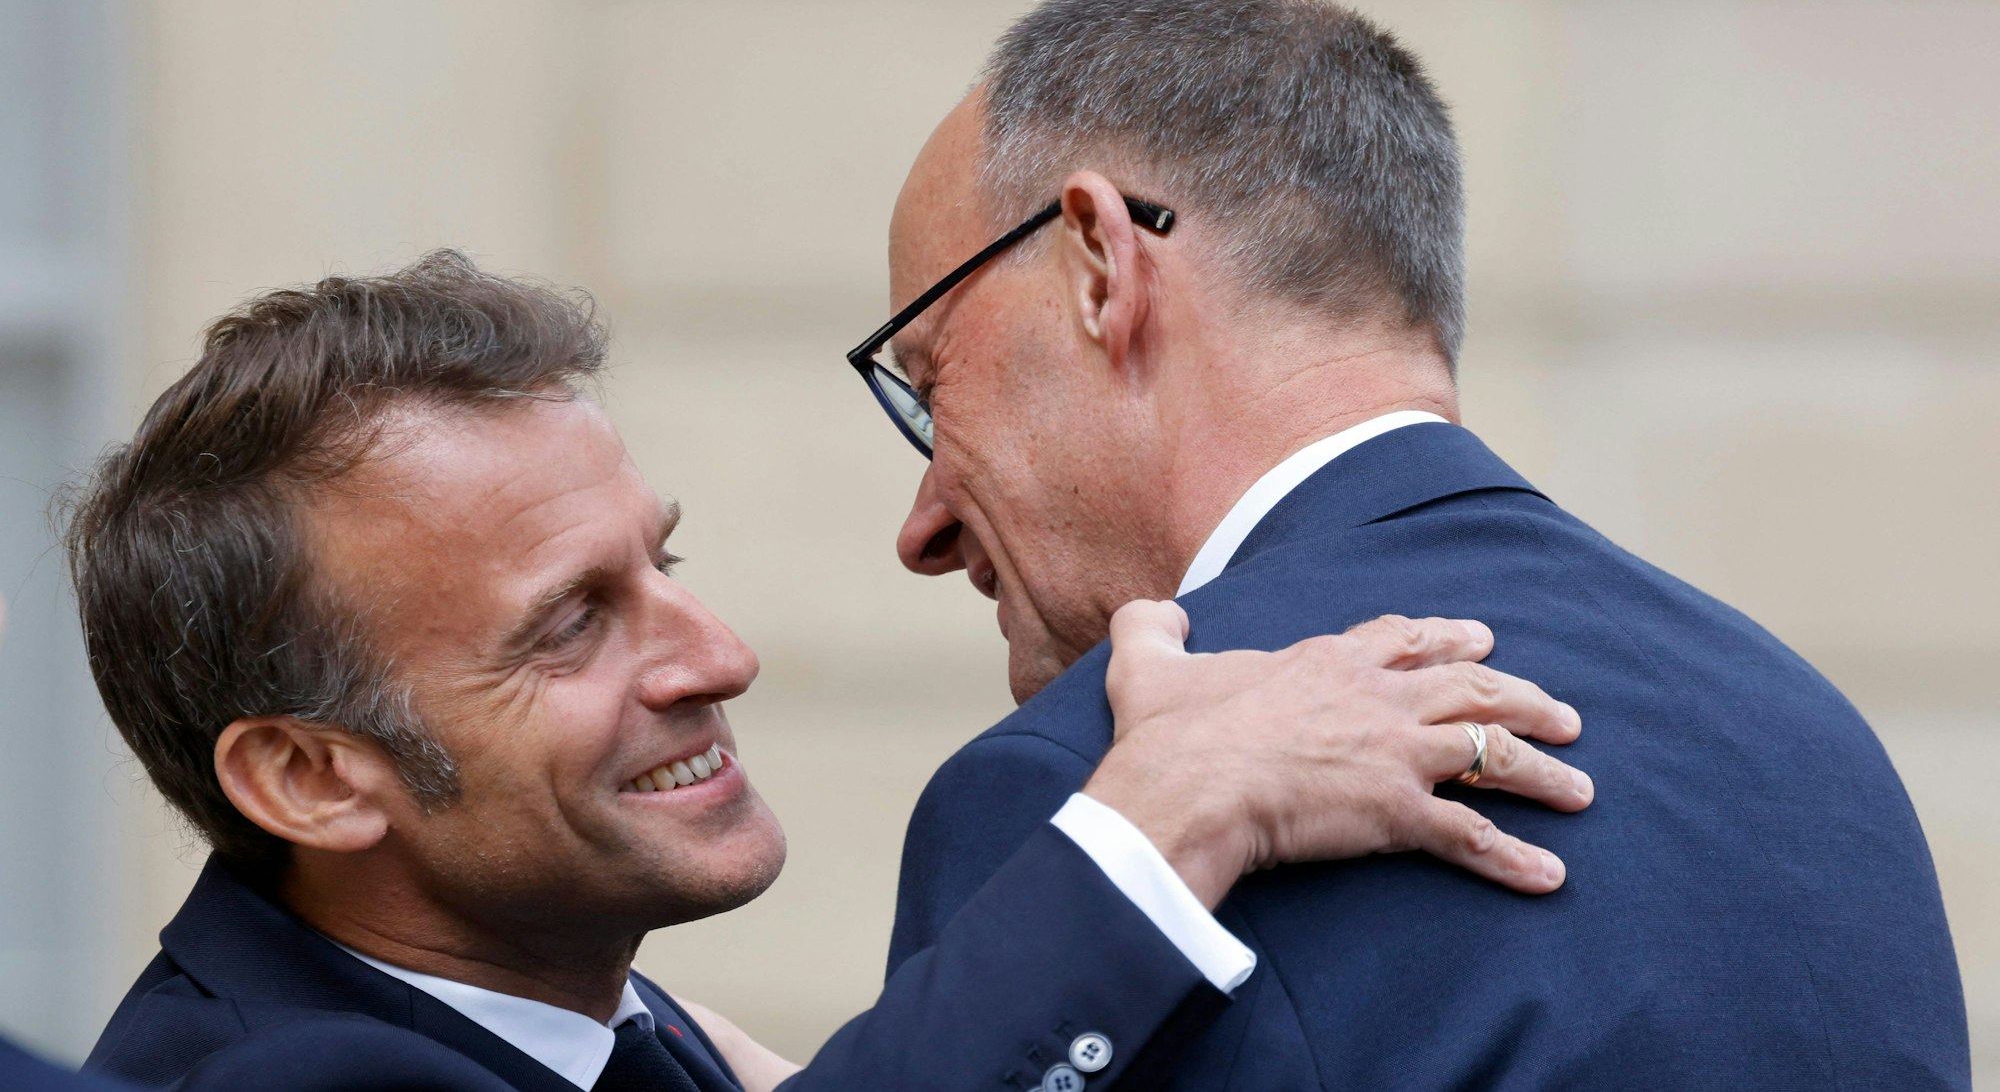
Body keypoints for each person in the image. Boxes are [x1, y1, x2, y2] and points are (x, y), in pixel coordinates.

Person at [68, 252, 1591, 1092]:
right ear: (308, 776)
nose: (715, 655)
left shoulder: (615, 1035)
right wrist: (1167, 821)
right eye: (571, 622)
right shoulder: (277, 1087)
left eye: (662, 562)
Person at [856, 0, 1971, 1087]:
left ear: (1100, 263)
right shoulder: (1810, 746)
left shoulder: (1104, 795)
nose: (925, 525)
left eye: (928, 375)